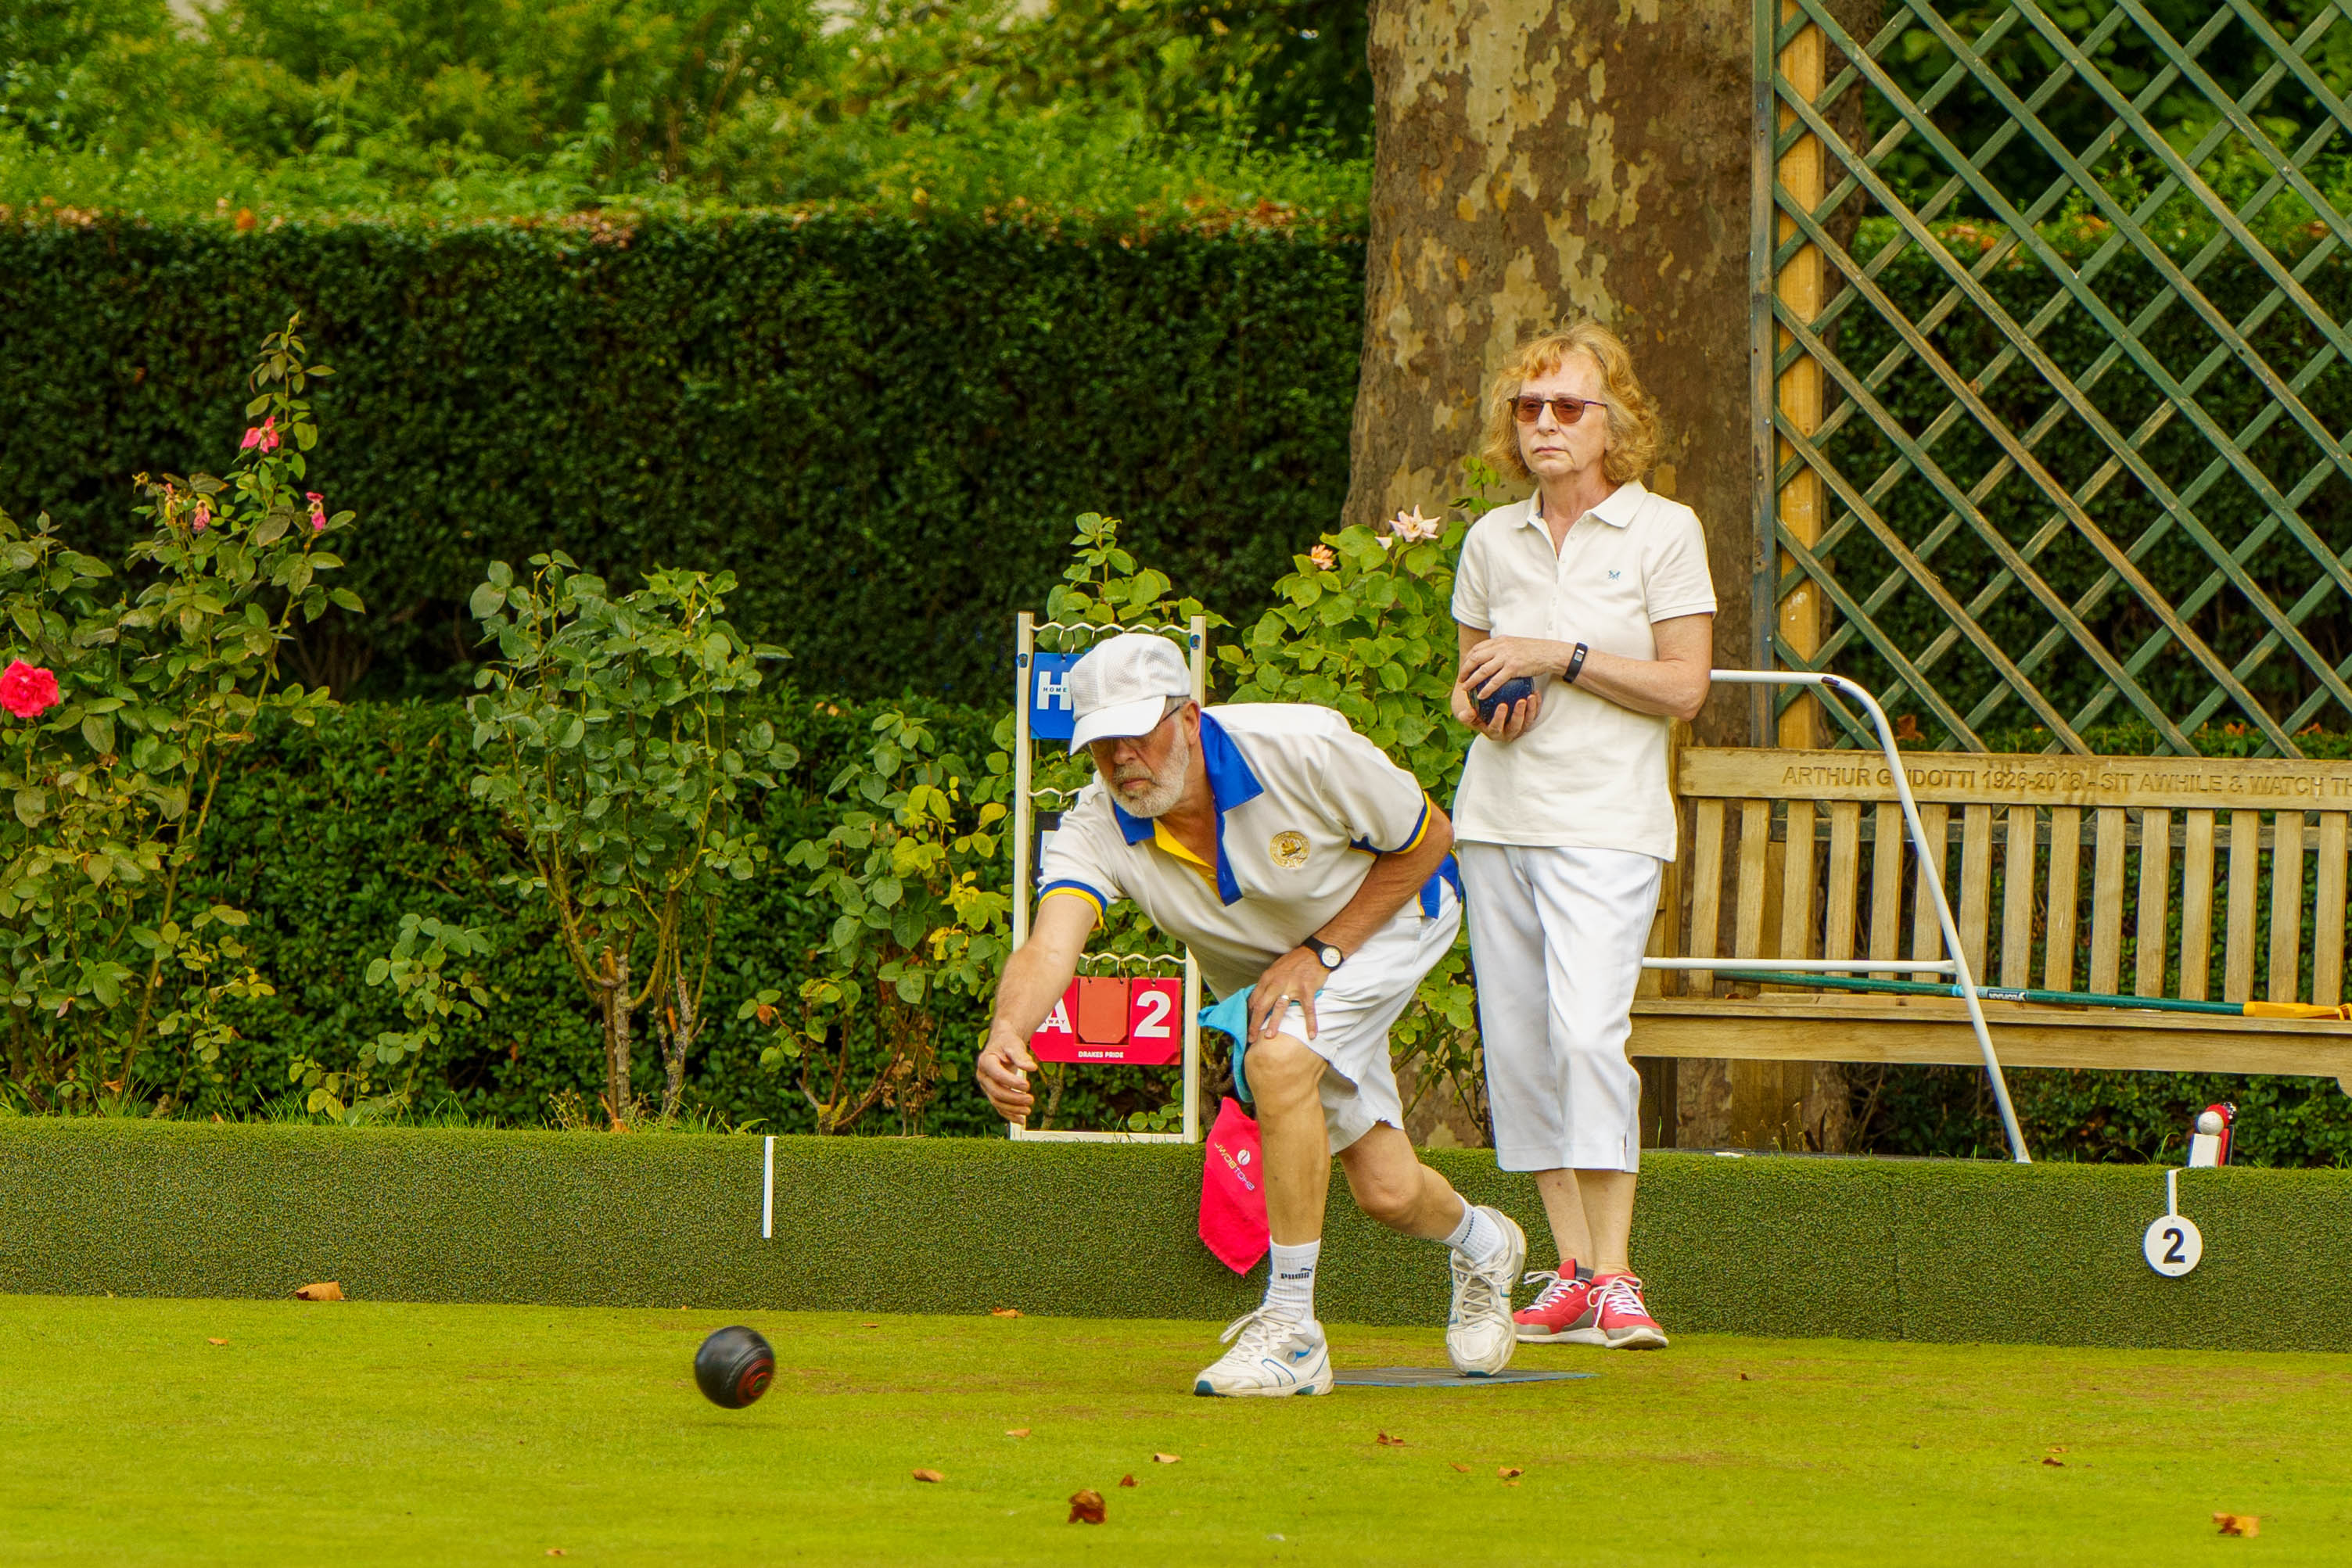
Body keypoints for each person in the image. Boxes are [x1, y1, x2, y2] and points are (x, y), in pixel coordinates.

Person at [975, 631, 1525, 1396]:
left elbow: (1430, 836)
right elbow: (1048, 946)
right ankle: (1483, 1240)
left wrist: (1324, 951)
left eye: (1137, 730)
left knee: (1276, 1058)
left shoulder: (1300, 749)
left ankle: (1294, 1328)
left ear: (1189, 716)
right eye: (1102, 742)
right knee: (1387, 1191)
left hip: (1393, 920)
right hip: (1283, 980)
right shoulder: (1096, 826)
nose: (1122, 757)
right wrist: (1008, 1030)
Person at [1448, 321, 1715, 1351]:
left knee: (1586, 1037)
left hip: (1606, 824)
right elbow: (1469, 689)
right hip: (1496, 822)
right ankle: (1566, 1268)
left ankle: (1616, 1276)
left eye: (1566, 406)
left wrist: (1558, 655)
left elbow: (1682, 687)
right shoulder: (1488, 542)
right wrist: (1491, 699)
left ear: (1614, 422)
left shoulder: (1660, 531)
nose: (1544, 424)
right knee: (1521, 1050)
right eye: (1528, 408)